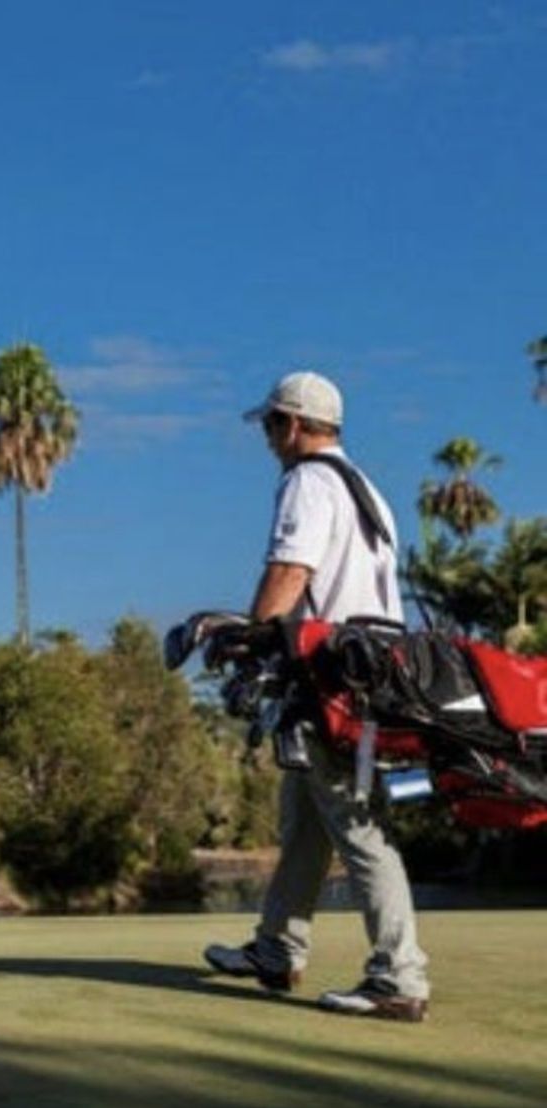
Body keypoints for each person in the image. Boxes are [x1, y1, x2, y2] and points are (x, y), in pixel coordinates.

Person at [203, 371, 429, 1021]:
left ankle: (400, 975)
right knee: (305, 817)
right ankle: (277, 947)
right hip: (366, 670)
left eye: (274, 424)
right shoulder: (367, 491)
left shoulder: (307, 480)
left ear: (296, 424)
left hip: (336, 677)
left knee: (358, 827)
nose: (270, 438)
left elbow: (290, 569)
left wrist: (250, 640)